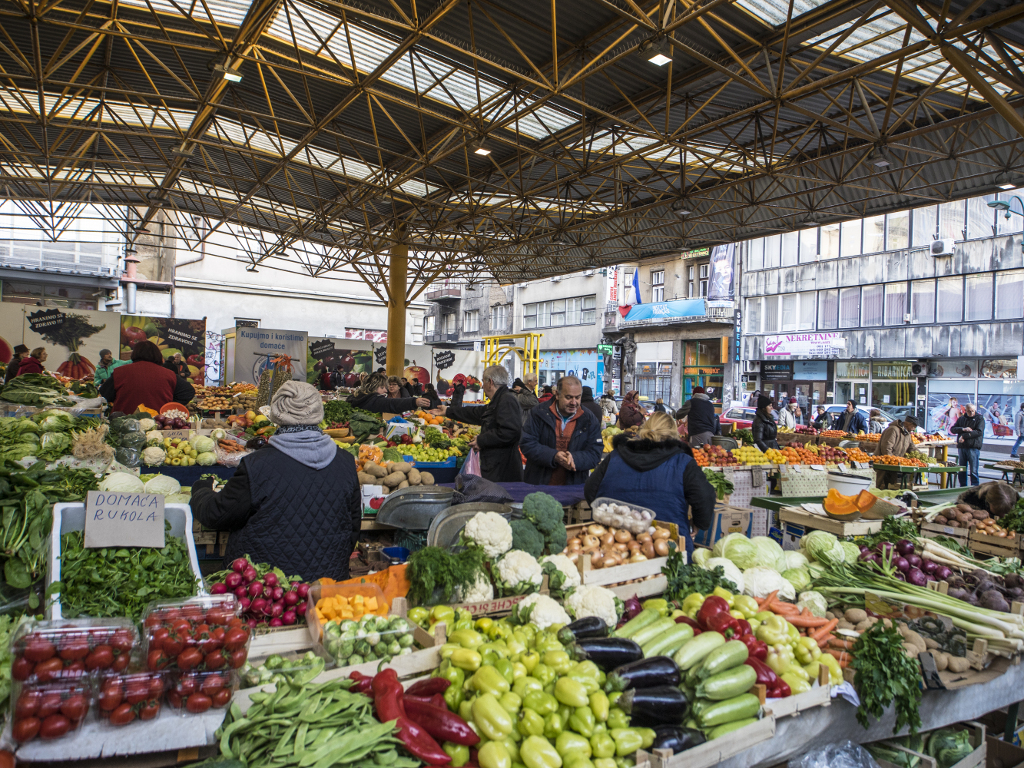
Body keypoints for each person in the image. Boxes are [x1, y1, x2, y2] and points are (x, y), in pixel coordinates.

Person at [190, 381, 360, 582]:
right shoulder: (346, 462)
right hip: (327, 591)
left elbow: (218, 515)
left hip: (267, 592)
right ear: (317, 411)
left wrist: (201, 490)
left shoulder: (256, 465)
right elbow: (353, 527)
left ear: (277, 413)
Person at [584, 412, 716, 560]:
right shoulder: (683, 462)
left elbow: (590, 491)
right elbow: (705, 497)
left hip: (615, 548)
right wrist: (698, 523)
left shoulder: (615, 457)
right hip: (669, 550)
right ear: (674, 435)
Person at [431, 365, 523, 482]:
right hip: (497, 466)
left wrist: (482, 440)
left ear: (490, 382)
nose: (482, 387)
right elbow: (476, 413)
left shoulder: (507, 400)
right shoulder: (499, 400)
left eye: (483, 382)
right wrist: (448, 411)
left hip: (503, 470)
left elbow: (510, 432)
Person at [521, 376, 603, 486]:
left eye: (577, 397)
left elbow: (595, 452)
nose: (574, 402)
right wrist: (553, 456)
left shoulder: (589, 419)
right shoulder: (538, 413)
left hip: (573, 488)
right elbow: (527, 443)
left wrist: (576, 459)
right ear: (557, 395)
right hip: (539, 485)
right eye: (568, 397)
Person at [99, 341, 194, 414]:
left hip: (123, 423)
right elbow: (188, 392)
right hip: (159, 423)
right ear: (158, 355)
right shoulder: (169, 374)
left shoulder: (119, 372)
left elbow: (105, 394)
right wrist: (170, 405)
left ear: (134, 354)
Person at [348, 372, 430, 414]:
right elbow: (392, 404)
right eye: (382, 387)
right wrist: (414, 402)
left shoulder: (355, 397)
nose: (386, 390)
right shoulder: (374, 400)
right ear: (373, 387)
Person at [876, 416, 917, 489]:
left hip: (894, 465)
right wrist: (891, 461)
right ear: (908, 423)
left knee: (890, 487)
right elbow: (886, 448)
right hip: (884, 464)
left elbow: (912, 448)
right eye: (914, 426)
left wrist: (923, 457)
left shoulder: (907, 434)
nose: (914, 429)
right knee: (880, 486)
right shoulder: (893, 430)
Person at [951, 403, 984, 486]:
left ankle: (975, 487)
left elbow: (979, 432)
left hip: (973, 446)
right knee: (962, 469)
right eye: (969, 411)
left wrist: (963, 436)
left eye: (973, 411)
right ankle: (963, 486)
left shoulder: (979, 418)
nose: (971, 413)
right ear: (965, 411)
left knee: (973, 470)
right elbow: (953, 429)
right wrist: (963, 429)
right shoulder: (962, 419)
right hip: (962, 447)